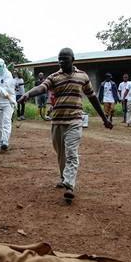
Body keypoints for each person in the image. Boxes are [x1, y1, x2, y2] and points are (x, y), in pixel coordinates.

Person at [17, 48, 113, 202]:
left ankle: (69, 185)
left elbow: (93, 97)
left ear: (73, 59)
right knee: (61, 154)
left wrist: (104, 118)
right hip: (57, 121)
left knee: (71, 153)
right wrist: (28, 94)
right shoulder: (54, 76)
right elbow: (42, 87)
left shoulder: (83, 76)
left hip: (74, 121)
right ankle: (64, 178)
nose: (62, 61)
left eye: (65, 59)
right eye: (60, 59)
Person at [0, 58, 16, 150]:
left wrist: (8, 98)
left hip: (8, 101)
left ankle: (5, 141)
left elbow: (6, 89)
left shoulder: (8, 74)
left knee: (6, 121)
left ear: (3, 65)